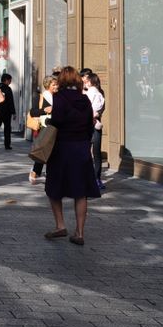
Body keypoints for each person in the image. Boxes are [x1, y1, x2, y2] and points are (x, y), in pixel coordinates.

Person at [44, 66, 101, 244]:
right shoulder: (85, 99)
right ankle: (80, 232)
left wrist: (50, 121)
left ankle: (60, 225)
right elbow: (90, 124)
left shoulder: (59, 97)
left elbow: (57, 121)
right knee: (80, 191)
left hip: (62, 148)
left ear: (62, 80)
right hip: (81, 148)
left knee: (54, 187)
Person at [29, 75, 59, 184]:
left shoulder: (58, 97)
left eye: (57, 84)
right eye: (54, 85)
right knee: (43, 150)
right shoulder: (40, 97)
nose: (56, 87)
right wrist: (45, 110)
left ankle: (50, 174)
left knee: (54, 152)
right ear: (47, 85)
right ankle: (35, 171)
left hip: (56, 127)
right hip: (44, 128)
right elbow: (33, 112)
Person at [82, 71, 106, 191]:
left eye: (86, 80)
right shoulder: (98, 92)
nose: (85, 82)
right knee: (96, 153)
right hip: (94, 124)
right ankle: (96, 178)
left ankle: (92, 178)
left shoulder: (91, 92)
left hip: (88, 125)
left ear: (91, 81)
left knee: (89, 152)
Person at [0, 72, 17, 150]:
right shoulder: (8, 89)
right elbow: (11, 101)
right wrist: (13, 112)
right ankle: (7, 145)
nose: (10, 82)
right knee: (7, 129)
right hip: (6, 112)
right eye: (10, 80)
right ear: (6, 80)